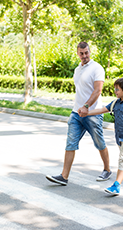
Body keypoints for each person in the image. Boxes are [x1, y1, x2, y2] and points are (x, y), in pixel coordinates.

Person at [46, 42, 112, 185]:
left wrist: (86, 106)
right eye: (81, 53)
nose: (84, 56)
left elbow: (98, 90)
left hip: (92, 113)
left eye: (86, 52)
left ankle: (107, 169)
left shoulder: (97, 68)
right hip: (76, 113)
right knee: (70, 144)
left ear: (90, 52)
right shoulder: (78, 69)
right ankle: (64, 177)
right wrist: (79, 108)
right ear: (77, 53)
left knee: (99, 142)